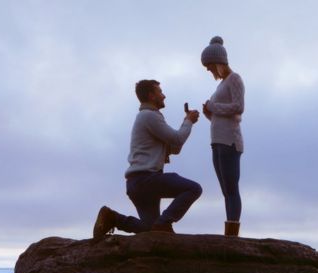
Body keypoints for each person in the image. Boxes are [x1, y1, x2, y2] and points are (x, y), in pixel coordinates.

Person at [92, 79, 202, 239]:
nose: (164, 96)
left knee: (151, 231)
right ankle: (165, 222)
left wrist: (186, 123)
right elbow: (177, 140)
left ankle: (113, 218)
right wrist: (188, 121)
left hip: (136, 184)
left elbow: (174, 147)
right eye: (160, 92)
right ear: (151, 96)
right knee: (194, 189)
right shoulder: (150, 116)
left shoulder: (146, 117)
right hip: (147, 179)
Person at [201, 36, 245, 237]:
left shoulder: (234, 79)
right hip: (217, 141)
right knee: (225, 190)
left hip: (230, 142)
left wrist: (213, 107)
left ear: (218, 62)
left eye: (209, 66)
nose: (208, 70)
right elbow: (223, 117)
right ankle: (230, 230)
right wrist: (209, 115)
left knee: (231, 187)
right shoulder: (221, 85)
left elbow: (239, 107)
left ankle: (232, 232)